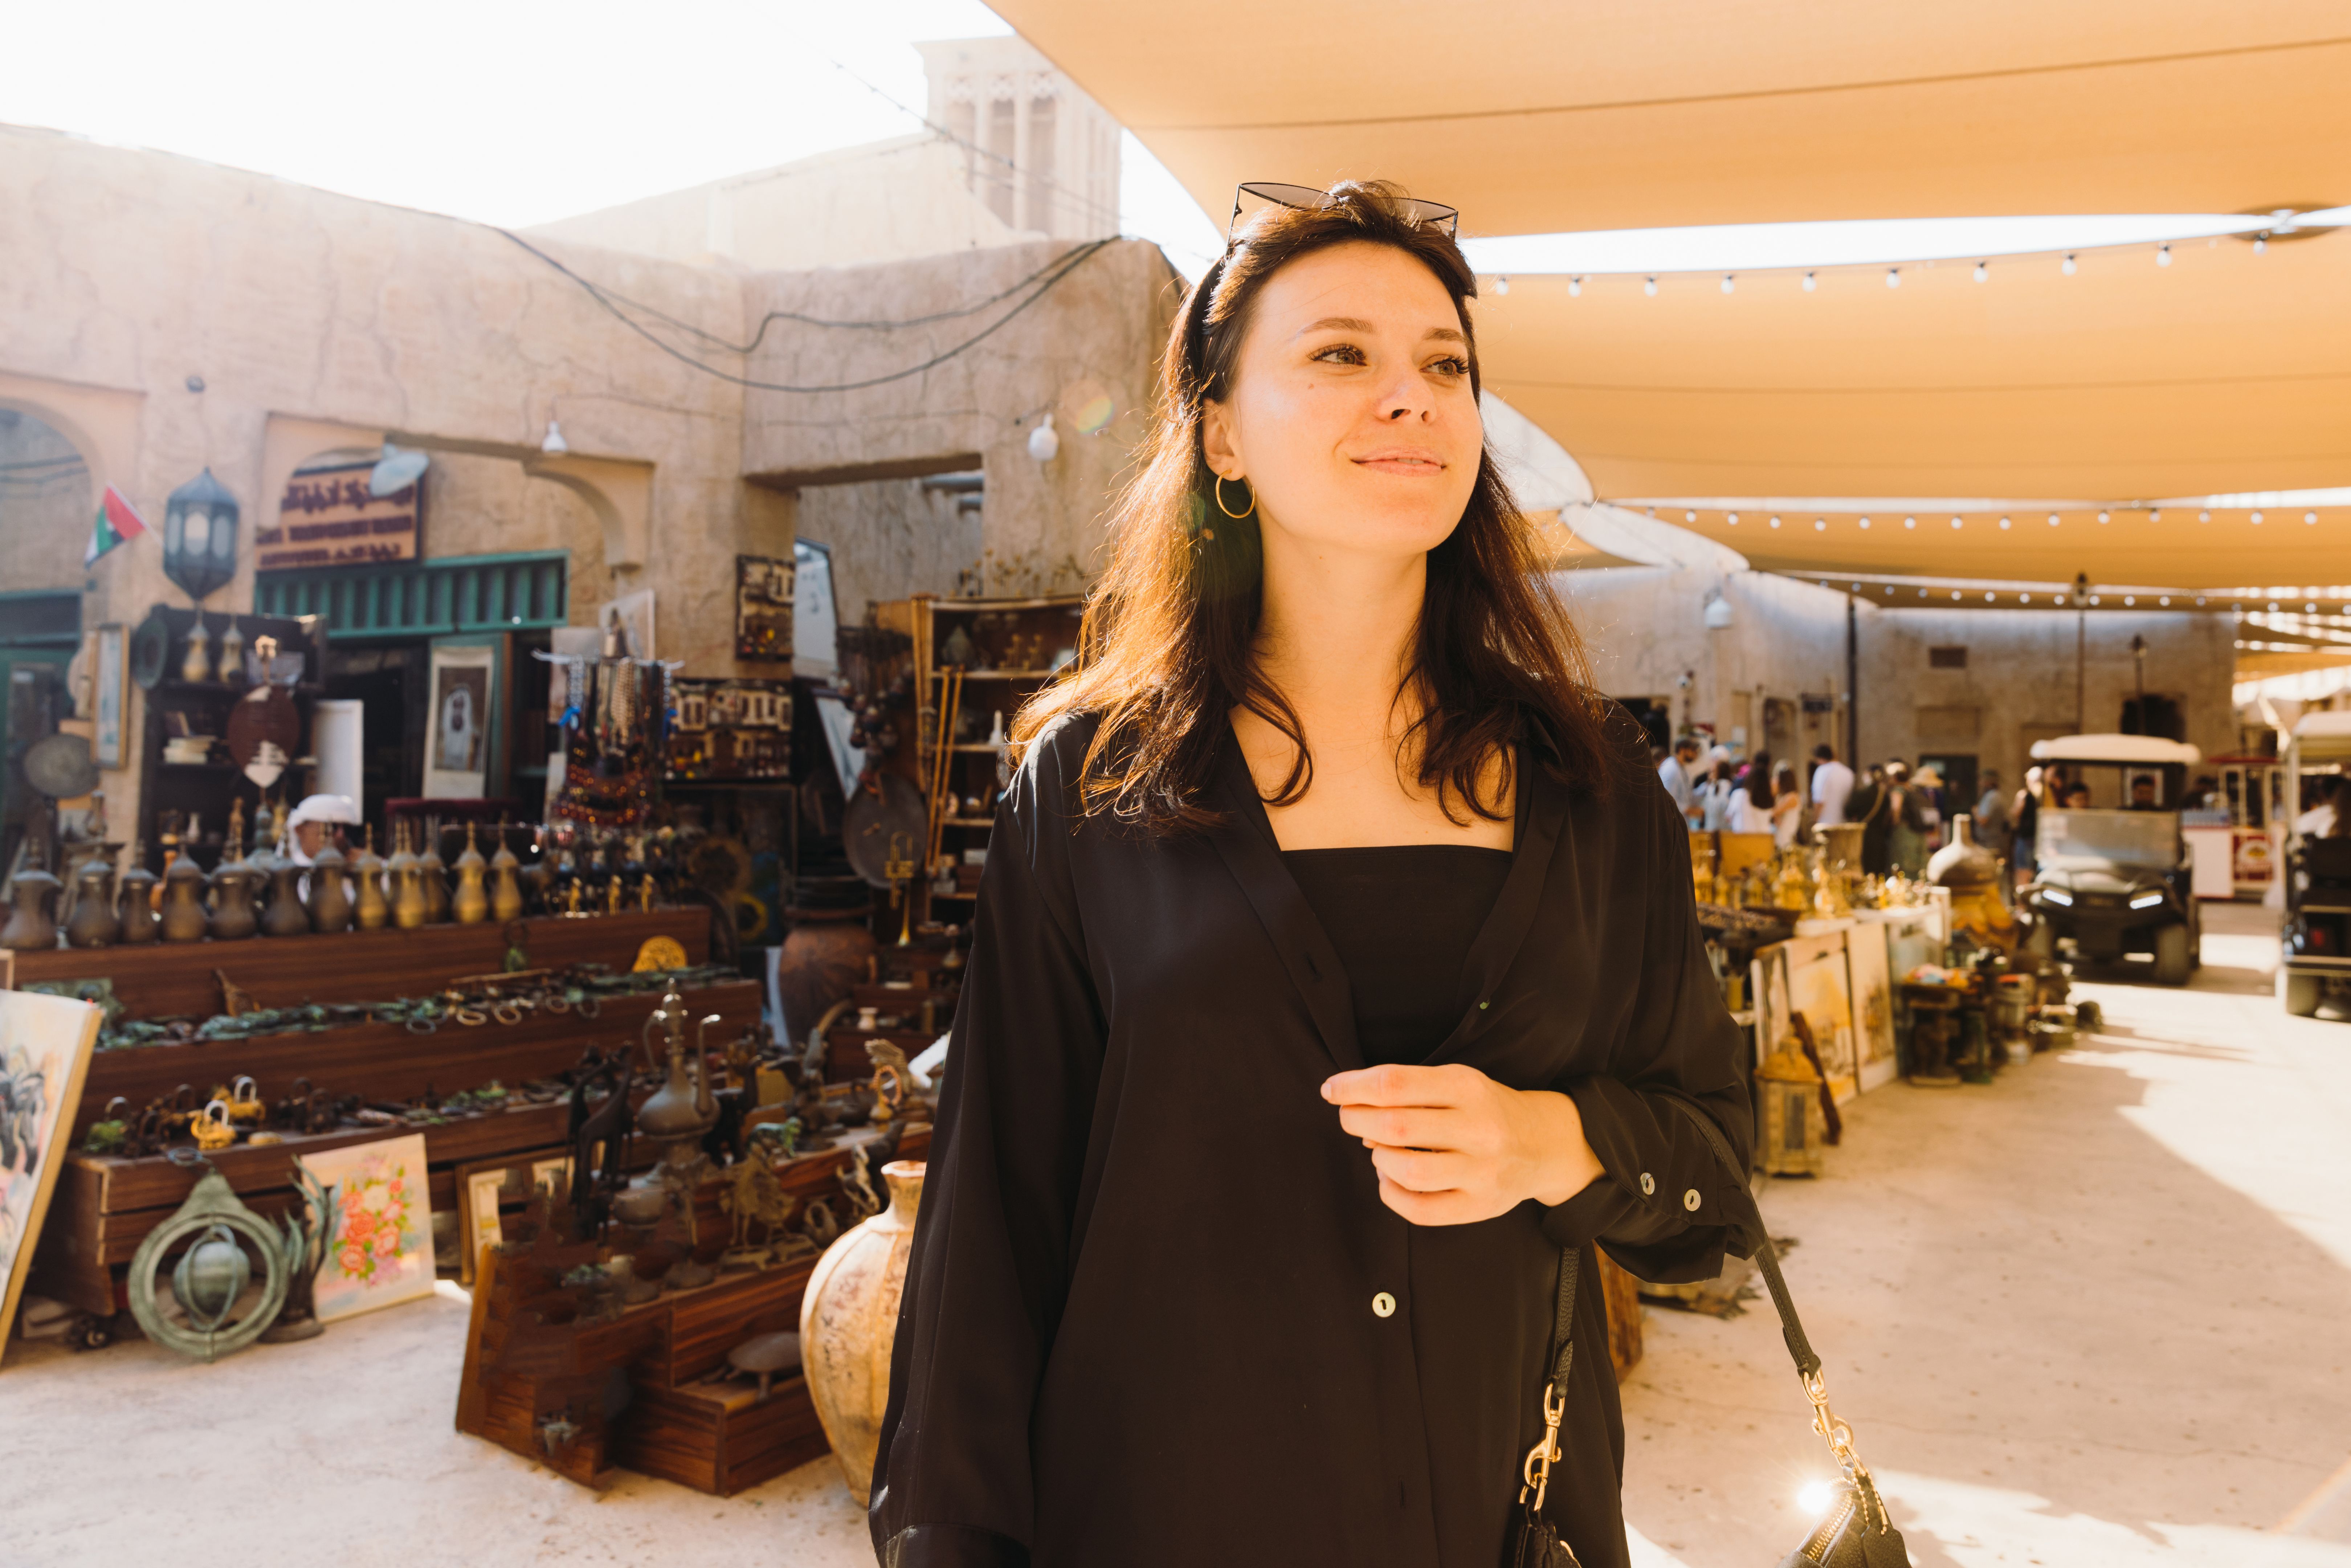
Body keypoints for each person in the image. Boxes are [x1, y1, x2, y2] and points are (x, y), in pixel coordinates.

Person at [870, 182, 1752, 1568]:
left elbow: (1715, 1175)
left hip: (1504, 1524)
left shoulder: (1594, 790)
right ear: (1218, 429)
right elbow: (989, 1235)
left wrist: (1550, 1143)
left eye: (1443, 364)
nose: (1408, 396)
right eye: (1340, 354)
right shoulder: (1089, 786)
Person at [1658, 733, 1703, 826]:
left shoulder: (1680, 768)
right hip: (1671, 824)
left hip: (1680, 823)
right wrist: (1691, 811)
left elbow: (1687, 796)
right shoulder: (1671, 769)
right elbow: (1668, 801)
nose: (1695, 754)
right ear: (1683, 750)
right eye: (1693, 750)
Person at [1726, 752, 1775, 834]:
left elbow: (1729, 817)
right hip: (1763, 842)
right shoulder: (1769, 799)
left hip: (1743, 840)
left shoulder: (1739, 795)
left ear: (1749, 779)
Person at [1810, 742, 1854, 828]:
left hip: (1826, 824)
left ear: (1820, 759)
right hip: (1845, 824)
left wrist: (1814, 821)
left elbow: (1819, 801)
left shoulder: (1822, 771)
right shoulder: (1849, 773)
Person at [1770, 760, 1804, 847]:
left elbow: (1774, 812)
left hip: (1786, 836)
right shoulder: (1785, 797)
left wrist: (1773, 792)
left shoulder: (1792, 797)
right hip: (1782, 834)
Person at [1973, 768, 2009, 845]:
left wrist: (1975, 812)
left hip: (1990, 842)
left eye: (1982, 780)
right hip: (1989, 840)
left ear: (1988, 782)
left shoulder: (1993, 797)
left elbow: (1984, 821)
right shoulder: (1991, 796)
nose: (1980, 783)